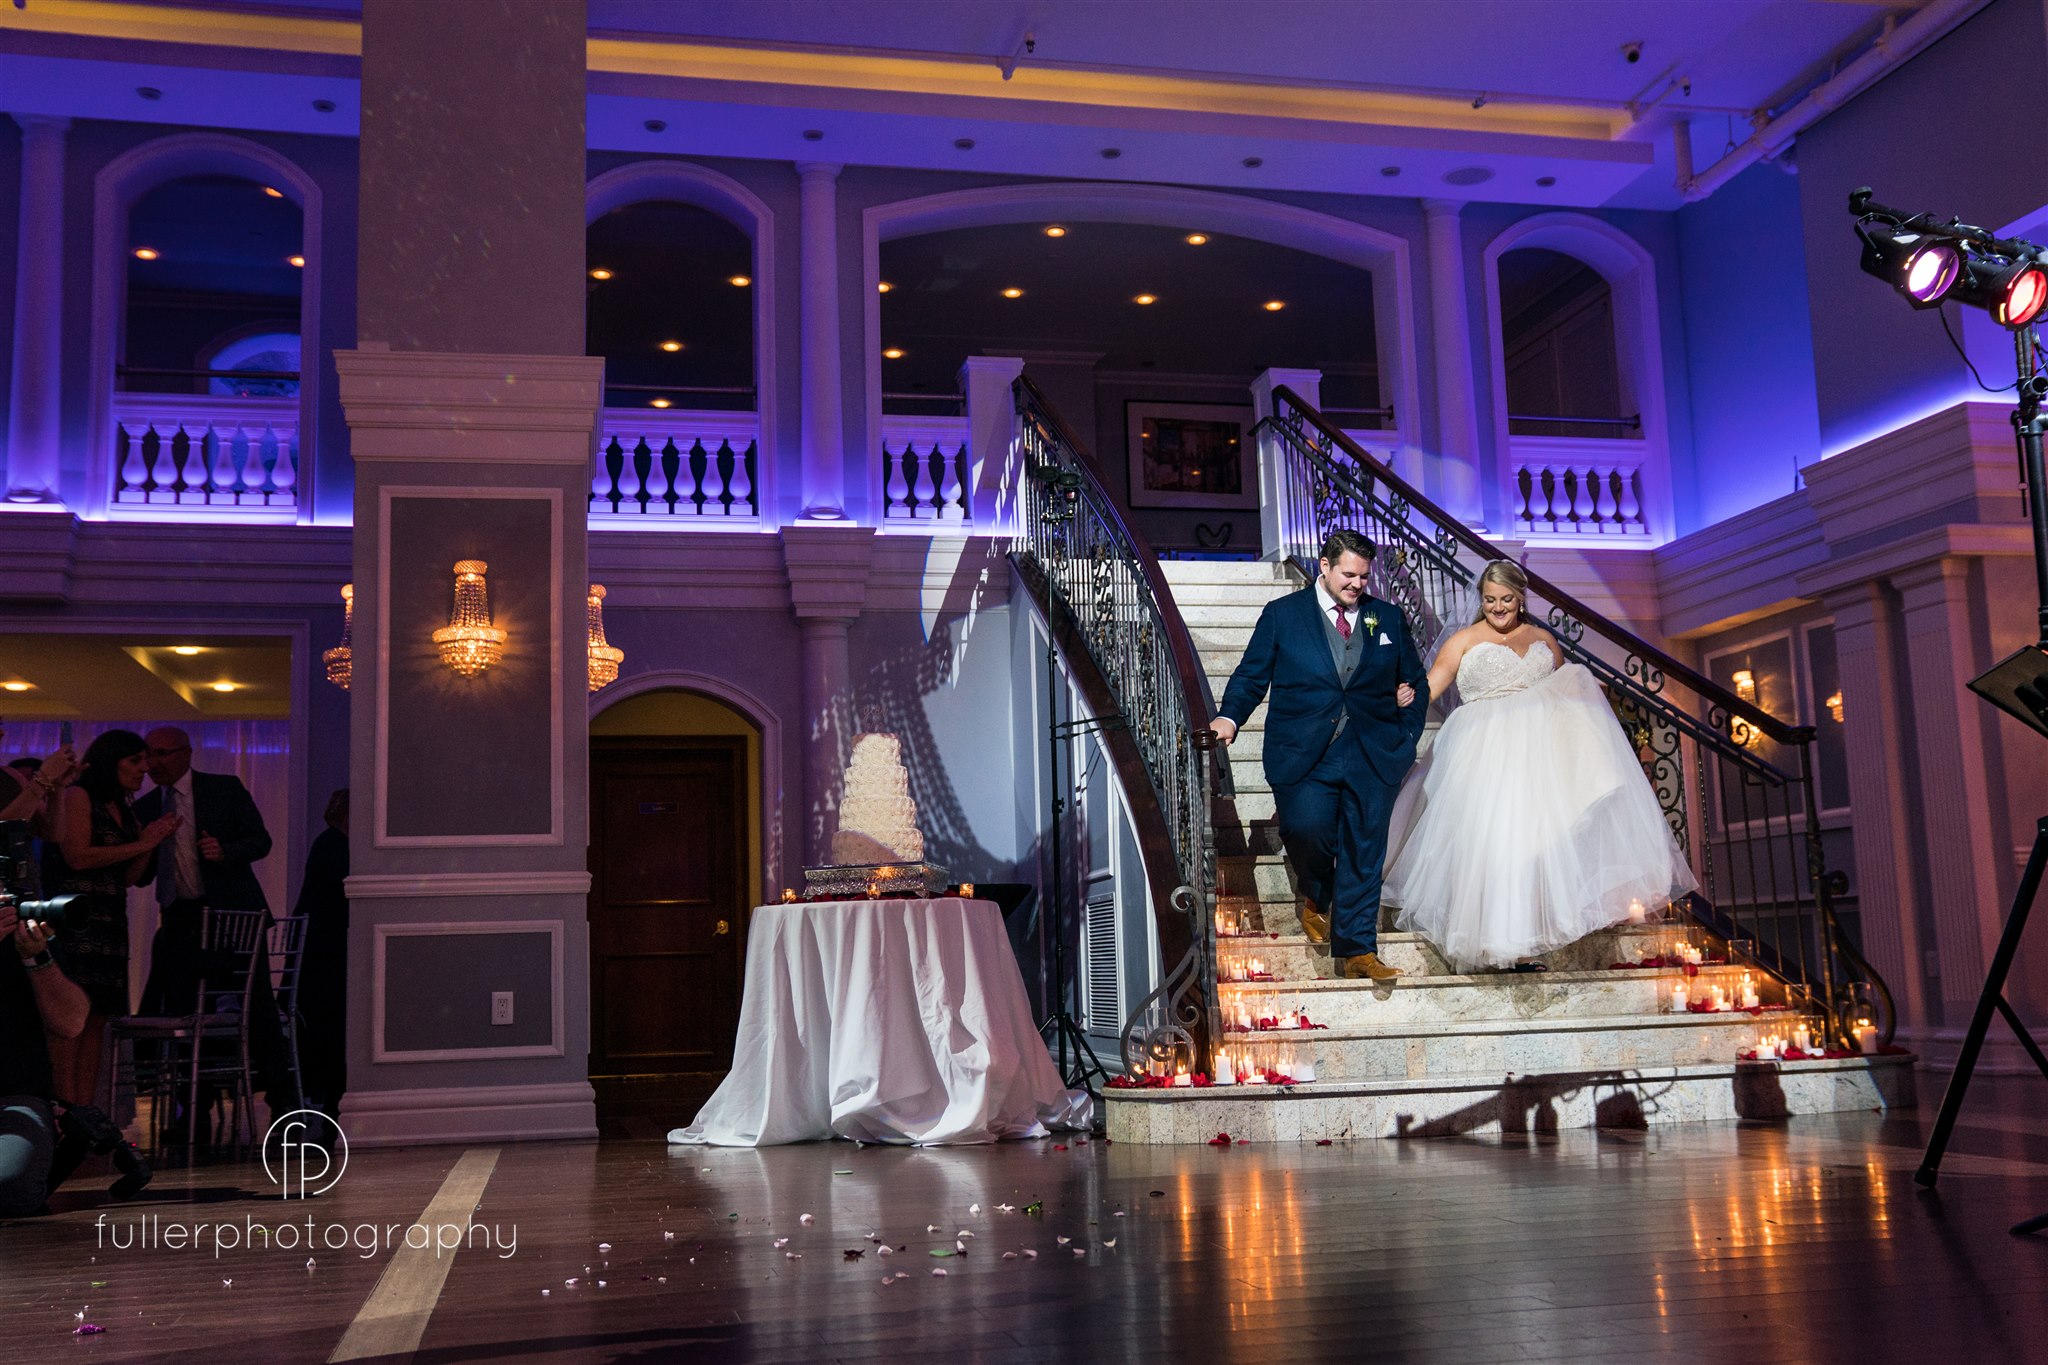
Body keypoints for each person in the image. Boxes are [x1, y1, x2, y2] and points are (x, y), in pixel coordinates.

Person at [1384, 560, 1698, 971]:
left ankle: (1521, 941)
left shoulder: (1543, 639)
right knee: (1493, 841)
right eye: (1490, 600)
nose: (1498, 608)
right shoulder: (1463, 640)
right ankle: (1488, 942)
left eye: (1507, 600)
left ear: (1520, 598)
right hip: (1482, 747)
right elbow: (1432, 685)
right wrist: (1404, 698)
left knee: (1534, 844)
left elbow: (1563, 691)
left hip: (1538, 754)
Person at [1209, 528, 1430, 981]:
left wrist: (1406, 734)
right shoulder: (1283, 615)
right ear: (1324, 567)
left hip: (1373, 753)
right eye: (1349, 575)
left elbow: (1417, 681)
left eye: (1365, 578)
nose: (1357, 585)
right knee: (1308, 831)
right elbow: (1252, 676)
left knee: (1365, 850)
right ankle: (1317, 894)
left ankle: (1358, 952)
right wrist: (1229, 718)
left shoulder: (1385, 617)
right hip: (1305, 753)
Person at [41, 729, 179, 1109]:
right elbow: (77, 857)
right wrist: (143, 843)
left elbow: (130, 878)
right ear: (110, 760)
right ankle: (64, 1114)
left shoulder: (125, 808)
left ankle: (86, 1116)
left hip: (109, 922)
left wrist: (151, 841)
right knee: (72, 1021)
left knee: (98, 1019)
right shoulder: (78, 796)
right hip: (75, 922)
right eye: (135, 761)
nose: (144, 769)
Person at [0, 895, 91, 1217]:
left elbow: (71, 1022)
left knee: (11, 1185)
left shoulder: (23, 936)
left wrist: (36, 959)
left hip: (12, 1098)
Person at [294, 788, 350, 1116]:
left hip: (320, 947)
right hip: (325, 951)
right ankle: (330, 1092)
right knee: (331, 1020)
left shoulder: (327, 843)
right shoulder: (334, 847)